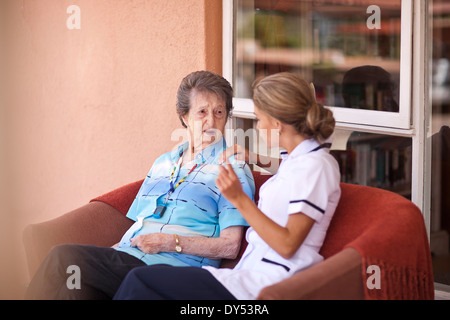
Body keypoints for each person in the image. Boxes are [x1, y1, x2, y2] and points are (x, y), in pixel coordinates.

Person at [25, 70, 255, 299]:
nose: (211, 121)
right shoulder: (164, 163)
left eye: (219, 112)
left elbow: (230, 246)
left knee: (63, 258)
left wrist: (170, 242)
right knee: (74, 287)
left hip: (173, 269)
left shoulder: (232, 168)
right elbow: (139, 223)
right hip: (131, 258)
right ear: (184, 117)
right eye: (202, 112)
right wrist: (108, 255)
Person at [113, 72, 342, 300]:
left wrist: (239, 200)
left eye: (259, 119)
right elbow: (293, 171)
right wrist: (255, 157)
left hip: (266, 282)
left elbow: (288, 245)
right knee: (139, 283)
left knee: (139, 281)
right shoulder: (303, 160)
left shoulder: (317, 167)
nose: (258, 127)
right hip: (246, 274)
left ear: (277, 123)